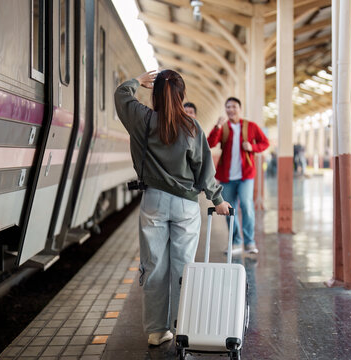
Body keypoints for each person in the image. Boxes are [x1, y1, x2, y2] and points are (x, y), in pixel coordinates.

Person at [114, 70, 231, 346]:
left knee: (154, 266)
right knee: (184, 267)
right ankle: (184, 327)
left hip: (153, 200)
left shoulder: (142, 119)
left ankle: (157, 331)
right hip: (185, 205)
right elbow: (204, 168)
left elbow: (121, 95)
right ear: (182, 96)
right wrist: (218, 200)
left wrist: (136, 82)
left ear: (154, 94)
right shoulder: (192, 127)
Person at [207, 97, 270, 255]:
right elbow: (210, 143)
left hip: (245, 175)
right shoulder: (223, 127)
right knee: (229, 209)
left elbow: (265, 143)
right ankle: (235, 242)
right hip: (226, 177)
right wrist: (217, 126)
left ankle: (249, 242)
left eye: (234, 107)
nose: (230, 110)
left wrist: (252, 147)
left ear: (239, 109)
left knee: (247, 206)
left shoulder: (251, 126)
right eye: (228, 107)